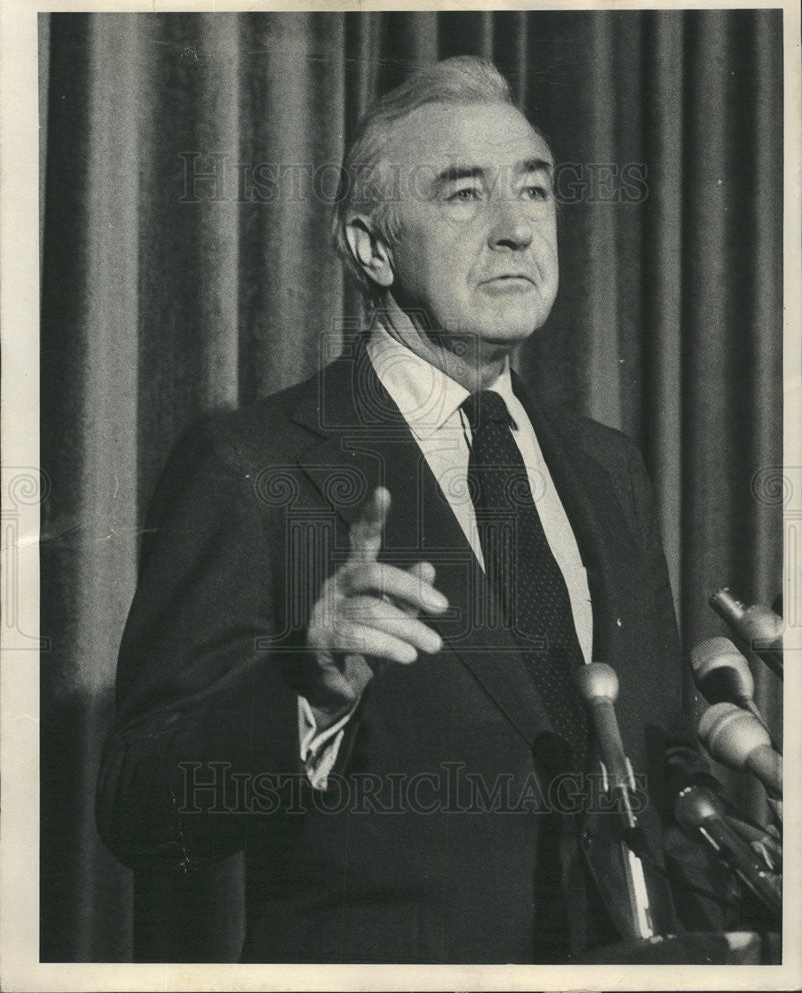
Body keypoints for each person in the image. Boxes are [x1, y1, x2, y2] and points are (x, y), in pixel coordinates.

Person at [97, 56, 719, 964]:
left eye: (536, 191)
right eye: (464, 195)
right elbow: (139, 807)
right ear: (372, 248)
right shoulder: (252, 462)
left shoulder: (606, 463)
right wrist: (305, 697)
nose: (516, 231)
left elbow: (647, 762)